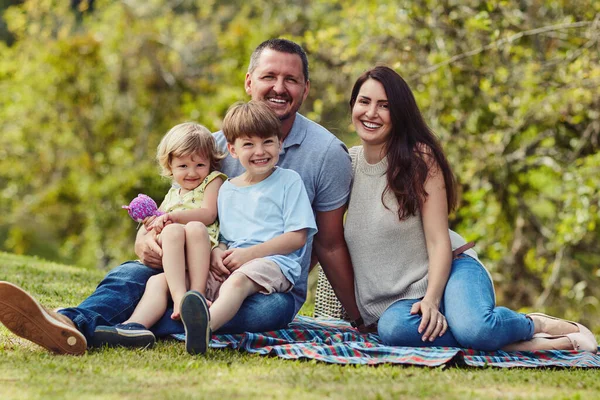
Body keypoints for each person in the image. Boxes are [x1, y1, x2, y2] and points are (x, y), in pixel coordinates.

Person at [0, 38, 362, 355]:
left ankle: (128, 327)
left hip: (265, 286)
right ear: (250, 82)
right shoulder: (217, 146)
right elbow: (177, 208)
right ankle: (67, 322)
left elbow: (327, 243)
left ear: (306, 88)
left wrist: (357, 316)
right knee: (133, 274)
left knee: (261, 312)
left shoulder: (325, 153)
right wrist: (146, 239)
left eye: (291, 79)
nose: (278, 87)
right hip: (202, 266)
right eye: (269, 76)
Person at [344, 65, 598, 352]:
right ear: (352, 105)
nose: (371, 113)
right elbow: (321, 234)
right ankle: (512, 344)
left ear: (400, 113)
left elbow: (439, 240)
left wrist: (431, 299)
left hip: (450, 270)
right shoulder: (346, 165)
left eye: (385, 106)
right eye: (364, 102)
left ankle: (534, 324)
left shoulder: (419, 160)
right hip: (395, 308)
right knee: (395, 330)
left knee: (475, 329)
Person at [92, 122, 226, 348]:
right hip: (174, 257)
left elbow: (208, 213)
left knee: (191, 228)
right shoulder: (173, 193)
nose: (192, 172)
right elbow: (159, 219)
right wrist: (150, 224)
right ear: (170, 166)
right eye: (183, 165)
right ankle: (132, 327)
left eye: (200, 164)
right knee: (156, 281)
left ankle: (194, 299)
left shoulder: (213, 181)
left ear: (210, 163)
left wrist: (173, 218)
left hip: (199, 251)